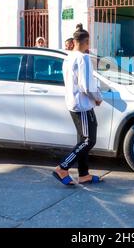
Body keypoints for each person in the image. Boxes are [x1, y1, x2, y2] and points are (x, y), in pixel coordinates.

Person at [53, 24, 104, 186]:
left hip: (74, 103)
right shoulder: (83, 58)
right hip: (83, 105)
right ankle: (63, 167)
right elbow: (86, 85)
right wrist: (97, 97)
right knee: (88, 140)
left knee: (83, 139)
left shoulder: (68, 57)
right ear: (86, 41)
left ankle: (84, 175)